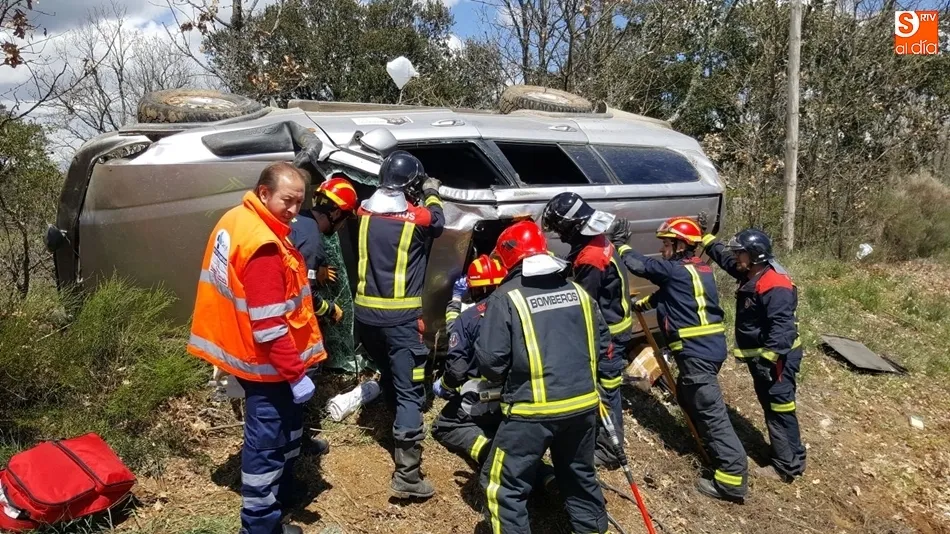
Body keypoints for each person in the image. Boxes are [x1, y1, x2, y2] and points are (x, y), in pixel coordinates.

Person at [188, 162, 327, 534]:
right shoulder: (263, 245)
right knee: (265, 448)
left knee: (285, 432)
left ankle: (287, 490)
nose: (295, 210)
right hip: (269, 366)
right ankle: (261, 526)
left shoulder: (237, 219)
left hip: (253, 355)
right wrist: (296, 375)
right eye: (288, 200)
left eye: (300, 202)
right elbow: (268, 328)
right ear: (264, 193)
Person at [475, 220, 614, 534]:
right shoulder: (578, 292)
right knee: (580, 475)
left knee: (503, 486)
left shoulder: (505, 297)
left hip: (531, 413)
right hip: (583, 408)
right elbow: (603, 345)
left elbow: (491, 364)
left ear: (508, 256)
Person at [607, 216, 748, 503]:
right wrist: (644, 304)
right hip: (709, 350)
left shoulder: (672, 270)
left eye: (666, 244)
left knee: (712, 412)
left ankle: (731, 478)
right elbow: (674, 296)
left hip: (695, 354)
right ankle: (707, 444)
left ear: (680, 244)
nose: (662, 250)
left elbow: (639, 265)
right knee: (688, 396)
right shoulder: (700, 270)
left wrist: (620, 244)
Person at [354, 150, 444, 499]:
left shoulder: (363, 210)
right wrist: (433, 191)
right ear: (412, 184)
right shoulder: (416, 218)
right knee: (411, 392)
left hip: (365, 318)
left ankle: (392, 410)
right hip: (400, 320)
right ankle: (407, 476)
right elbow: (436, 220)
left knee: (390, 371)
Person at [702, 228, 806, 483]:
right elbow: (727, 263)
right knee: (776, 407)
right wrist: (705, 240)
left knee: (778, 408)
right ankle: (793, 456)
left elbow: (782, 329)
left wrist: (767, 360)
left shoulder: (774, 284)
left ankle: (786, 466)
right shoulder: (753, 272)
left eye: (741, 253)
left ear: (755, 255)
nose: (737, 257)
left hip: (777, 361)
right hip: (767, 359)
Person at [541, 192, 631, 469]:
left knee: (606, 387)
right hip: (613, 325)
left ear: (573, 225)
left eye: (560, 227)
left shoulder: (591, 257)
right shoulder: (593, 241)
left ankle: (608, 450)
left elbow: (582, 301)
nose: (558, 233)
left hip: (608, 333)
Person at [288, 174, 359, 456]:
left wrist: (317, 273)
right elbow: (302, 292)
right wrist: (330, 309)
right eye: (344, 219)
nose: (341, 226)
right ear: (337, 212)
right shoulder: (314, 239)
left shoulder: (299, 222)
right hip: (293, 325)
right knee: (304, 377)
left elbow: (297, 270)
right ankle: (297, 438)